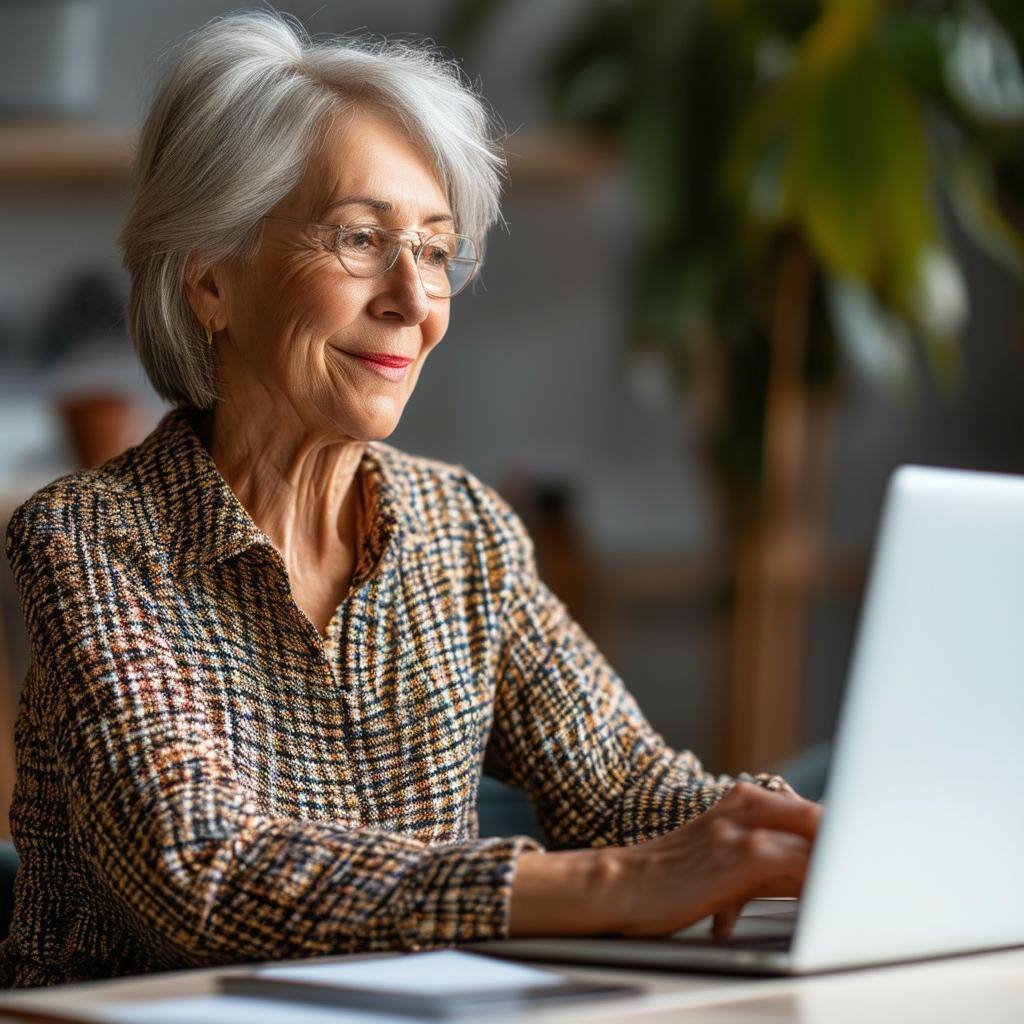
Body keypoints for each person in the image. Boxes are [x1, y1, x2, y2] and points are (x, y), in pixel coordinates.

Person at [0, 11, 820, 988]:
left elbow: (631, 796)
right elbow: (200, 875)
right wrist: (609, 882)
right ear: (210, 278)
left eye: (436, 250)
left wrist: (832, 841)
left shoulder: (462, 529)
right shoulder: (92, 535)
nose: (413, 298)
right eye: (360, 238)